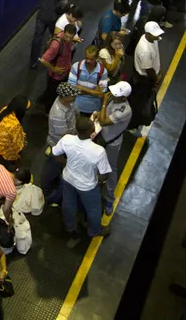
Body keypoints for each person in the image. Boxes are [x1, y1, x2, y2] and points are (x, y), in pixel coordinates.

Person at [51, 115, 111, 245]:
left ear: (77, 130)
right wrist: (99, 181)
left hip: (68, 178)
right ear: (92, 132)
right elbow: (104, 174)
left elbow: (55, 154)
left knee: (68, 204)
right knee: (94, 209)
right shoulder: (98, 151)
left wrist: (66, 164)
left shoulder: (67, 140)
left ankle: (70, 228)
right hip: (87, 186)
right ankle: (94, 231)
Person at [95, 81, 132, 214]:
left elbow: (105, 122)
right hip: (101, 137)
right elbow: (103, 115)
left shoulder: (125, 110)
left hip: (112, 142)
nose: (111, 95)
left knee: (111, 169)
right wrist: (99, 113)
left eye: (116, 94)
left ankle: (109, 198)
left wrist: (104, 102)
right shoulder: (113, 100)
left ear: (124, 97)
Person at [43, 82, 79, 203]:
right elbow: (65, 137)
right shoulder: (57, 114)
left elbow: (76, 113)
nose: (75, 97)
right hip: (59, 145)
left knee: (58, 167)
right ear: (65, 97)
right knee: (53, 167)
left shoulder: (70, 102)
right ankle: (46, 192)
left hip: (70, 139)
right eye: (73, 95)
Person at [30, 0, 68, 67]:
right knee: (56, 38)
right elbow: (63, 5)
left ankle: (33, 62)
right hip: (53, 18)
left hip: (41, 15)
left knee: (37, 39)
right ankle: (53, 59)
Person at [131, 21, 164, 128]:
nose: (158, 36)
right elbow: (149, 70)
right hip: (144, 80)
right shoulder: (145, 50)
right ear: (148, 33)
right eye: (155, 34)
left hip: (149, 76)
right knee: (139, 104)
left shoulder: (151, 39)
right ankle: (132, 125)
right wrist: (156, 80)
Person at [38, 24, 77, 112]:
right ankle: (47, 112)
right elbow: (43, 60)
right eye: (66, 36)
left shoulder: (70, 40)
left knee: (55, 93)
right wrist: (54, 69)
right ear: (63, 33)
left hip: (64, 73)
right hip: (55, 77)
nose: (68, 39)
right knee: (52, 95)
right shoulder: (56, 45)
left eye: (71, 37)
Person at [0, 96, 29, 170]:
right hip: (2, 154)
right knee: (2, 170)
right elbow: (16, 144)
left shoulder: (4, 110)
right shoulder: (15, 125)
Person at [68, 45, 111, 116]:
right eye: (86, 58)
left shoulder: (103, 71)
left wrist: (81, 88)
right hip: (76, 105)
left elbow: (101, 94)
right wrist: (93, 92)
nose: (88, 61)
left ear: (97, 58)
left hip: (94, 108)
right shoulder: (76, 66)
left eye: (91, 59)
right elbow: (71, 89)